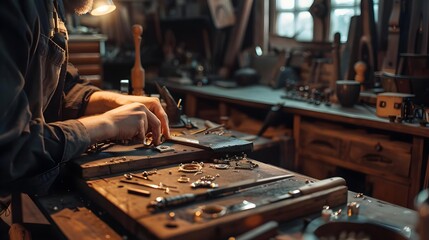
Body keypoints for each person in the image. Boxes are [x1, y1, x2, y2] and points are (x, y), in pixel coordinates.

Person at [0, 0, 171, 198]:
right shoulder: (13, 7)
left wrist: (113, 102)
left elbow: (62, 88)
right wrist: (107, 124)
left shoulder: (53, 8)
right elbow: (11, 150)